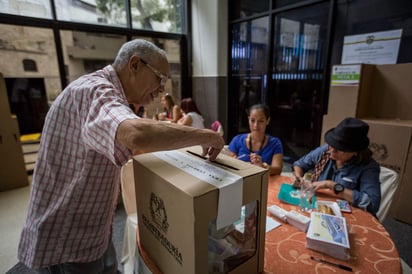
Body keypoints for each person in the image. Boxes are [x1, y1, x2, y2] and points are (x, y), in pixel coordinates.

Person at [17, 39, 224, 274]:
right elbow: (136, 135)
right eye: (159, 78)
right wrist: (207, 136)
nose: (161, 89)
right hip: (69, 240)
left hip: (94, 230)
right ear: (134, 65)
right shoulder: (95, 91)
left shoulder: (102, 90)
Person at [292, 117, 381, 216]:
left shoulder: (368, 167)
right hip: (318, 209)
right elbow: (299, 165)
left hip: (348, 216)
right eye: (331, 145)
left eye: (340, 149)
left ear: (355, 152)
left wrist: (332, 185)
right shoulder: (326, 151)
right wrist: (300, 179)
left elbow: (372, 204)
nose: (332, 151)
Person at [227, 104, 283, 176]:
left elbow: (278, 169)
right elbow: (229, 167)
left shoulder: (275, 143)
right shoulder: (237, 140)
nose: (256, 125)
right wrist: (235, 163)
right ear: (248, 119)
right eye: (252, 120)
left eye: (261, 121)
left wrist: (262, 166)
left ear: (268, 121)